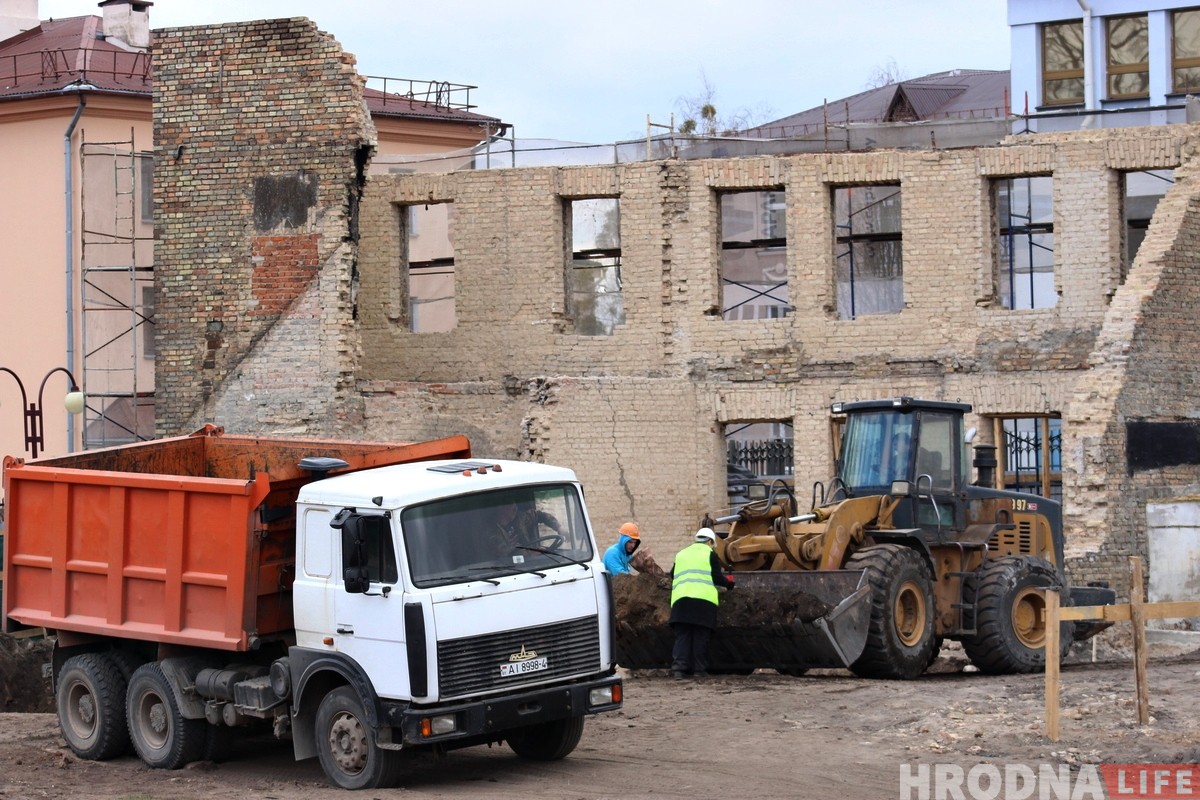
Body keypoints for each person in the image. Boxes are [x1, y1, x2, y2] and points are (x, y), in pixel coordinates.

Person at [669, 527, 735, 679]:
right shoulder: (709, 554)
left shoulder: (681, 553)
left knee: (682, 637)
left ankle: (679, 670)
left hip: (680, 601)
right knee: (700, 637)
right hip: (703, 603)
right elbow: (717, 577)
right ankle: (699, 670)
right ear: (710, 541)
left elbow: (673, 575)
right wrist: (729, 584)